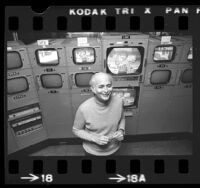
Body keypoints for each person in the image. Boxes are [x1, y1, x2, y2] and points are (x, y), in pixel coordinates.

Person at [72, 72, 125, 156]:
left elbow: (122, 117)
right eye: (101, 86)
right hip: (93, 152)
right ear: (93, 89)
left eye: (108, 85)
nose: (106, 90)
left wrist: (121, 130)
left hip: (115, 149)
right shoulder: (84, 108)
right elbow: (76, 130)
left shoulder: (119, 101)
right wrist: (94, 138)